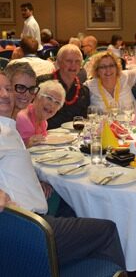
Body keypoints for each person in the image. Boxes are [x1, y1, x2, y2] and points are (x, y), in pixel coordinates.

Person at [0, 70, 125, 268]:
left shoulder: (8, 127)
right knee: (108, 230)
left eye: (7, 89)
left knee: (77, 203)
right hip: (30, 230)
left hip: (36, 213)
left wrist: (33, 181)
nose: (5, 94)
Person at [37, 44, 90, 129]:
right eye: (69, 61)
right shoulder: (43, 83)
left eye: (77, 61)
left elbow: (83, 120)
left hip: (73, 138)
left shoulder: (83, 91)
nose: (73, 65)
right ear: (59, 62)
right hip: (45, 135)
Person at [16, 80, 65, 147]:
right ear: (37, 96)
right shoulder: (23, 119)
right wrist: (26, 144)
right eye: (49, 98)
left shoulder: (44, 123)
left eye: (57, 103)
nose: (52, 105)